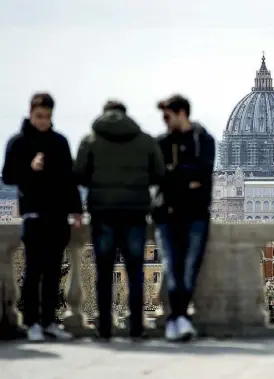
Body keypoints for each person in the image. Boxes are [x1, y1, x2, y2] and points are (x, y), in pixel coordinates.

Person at [74, 100, 164, 341]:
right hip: (135, 213)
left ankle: (104, 330)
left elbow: (79, 174)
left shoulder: (90, 139)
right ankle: (136, 329)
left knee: (103, 274)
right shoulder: (145, 140)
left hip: (103, 213)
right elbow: (158, 174)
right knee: (135, 273)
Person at [2, 93, 82, 342]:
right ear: (30, 113)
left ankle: (49, 322)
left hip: (57, 215)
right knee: (33, 271)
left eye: (47, 117)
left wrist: (77, 209)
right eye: (39, 116)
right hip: (34, 214)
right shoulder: (18, 142)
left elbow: (69, 178)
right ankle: (32, 322)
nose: (43, 121)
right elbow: (8, 176)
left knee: (53, 272)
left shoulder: (59, 142)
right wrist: (30, 167)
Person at [153, 95, 215, 341]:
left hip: (195, 214)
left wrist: (176, 175)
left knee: (189, 269)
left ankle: (178, 318)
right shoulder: (161, 142)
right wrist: (187, 179)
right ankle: (178, 318)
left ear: (182, 114)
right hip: (167, 215)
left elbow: (203, 173)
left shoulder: (204, 140)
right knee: (171, 269)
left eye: (167, 116)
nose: (164, 121)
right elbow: (160, 176)